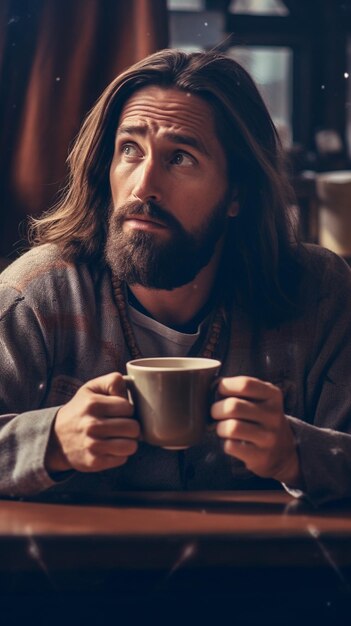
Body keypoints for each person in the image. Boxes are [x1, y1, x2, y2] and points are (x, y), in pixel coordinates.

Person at [1, 49, 351, 505]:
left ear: (236, 194)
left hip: (264, 573)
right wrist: (49, 441)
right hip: (75, 575)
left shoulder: (320, 294)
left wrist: (296, 453)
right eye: (130, 150)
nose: (143, 184)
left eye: (180, 158)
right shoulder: (35, 296)